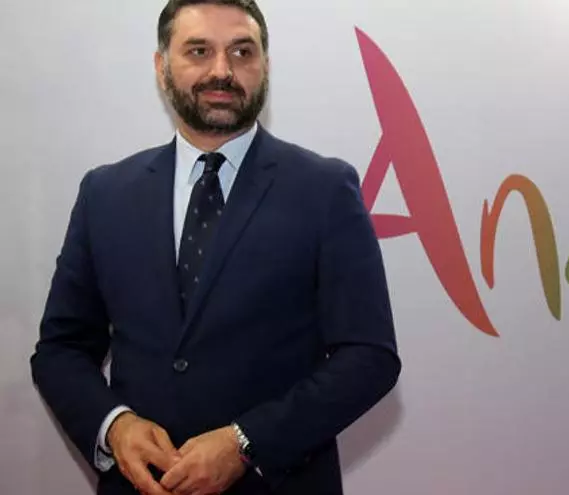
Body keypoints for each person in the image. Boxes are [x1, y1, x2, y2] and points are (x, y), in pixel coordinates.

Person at [29, 0, 401, 494]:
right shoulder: (105, 193)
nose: (222, 70)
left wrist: (248, 442)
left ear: (265, 65)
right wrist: (115, 426)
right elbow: (61, 349)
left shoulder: (325, 189)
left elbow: (370, 356)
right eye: (198, 51)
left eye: (242, 52)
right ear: (162, 67)